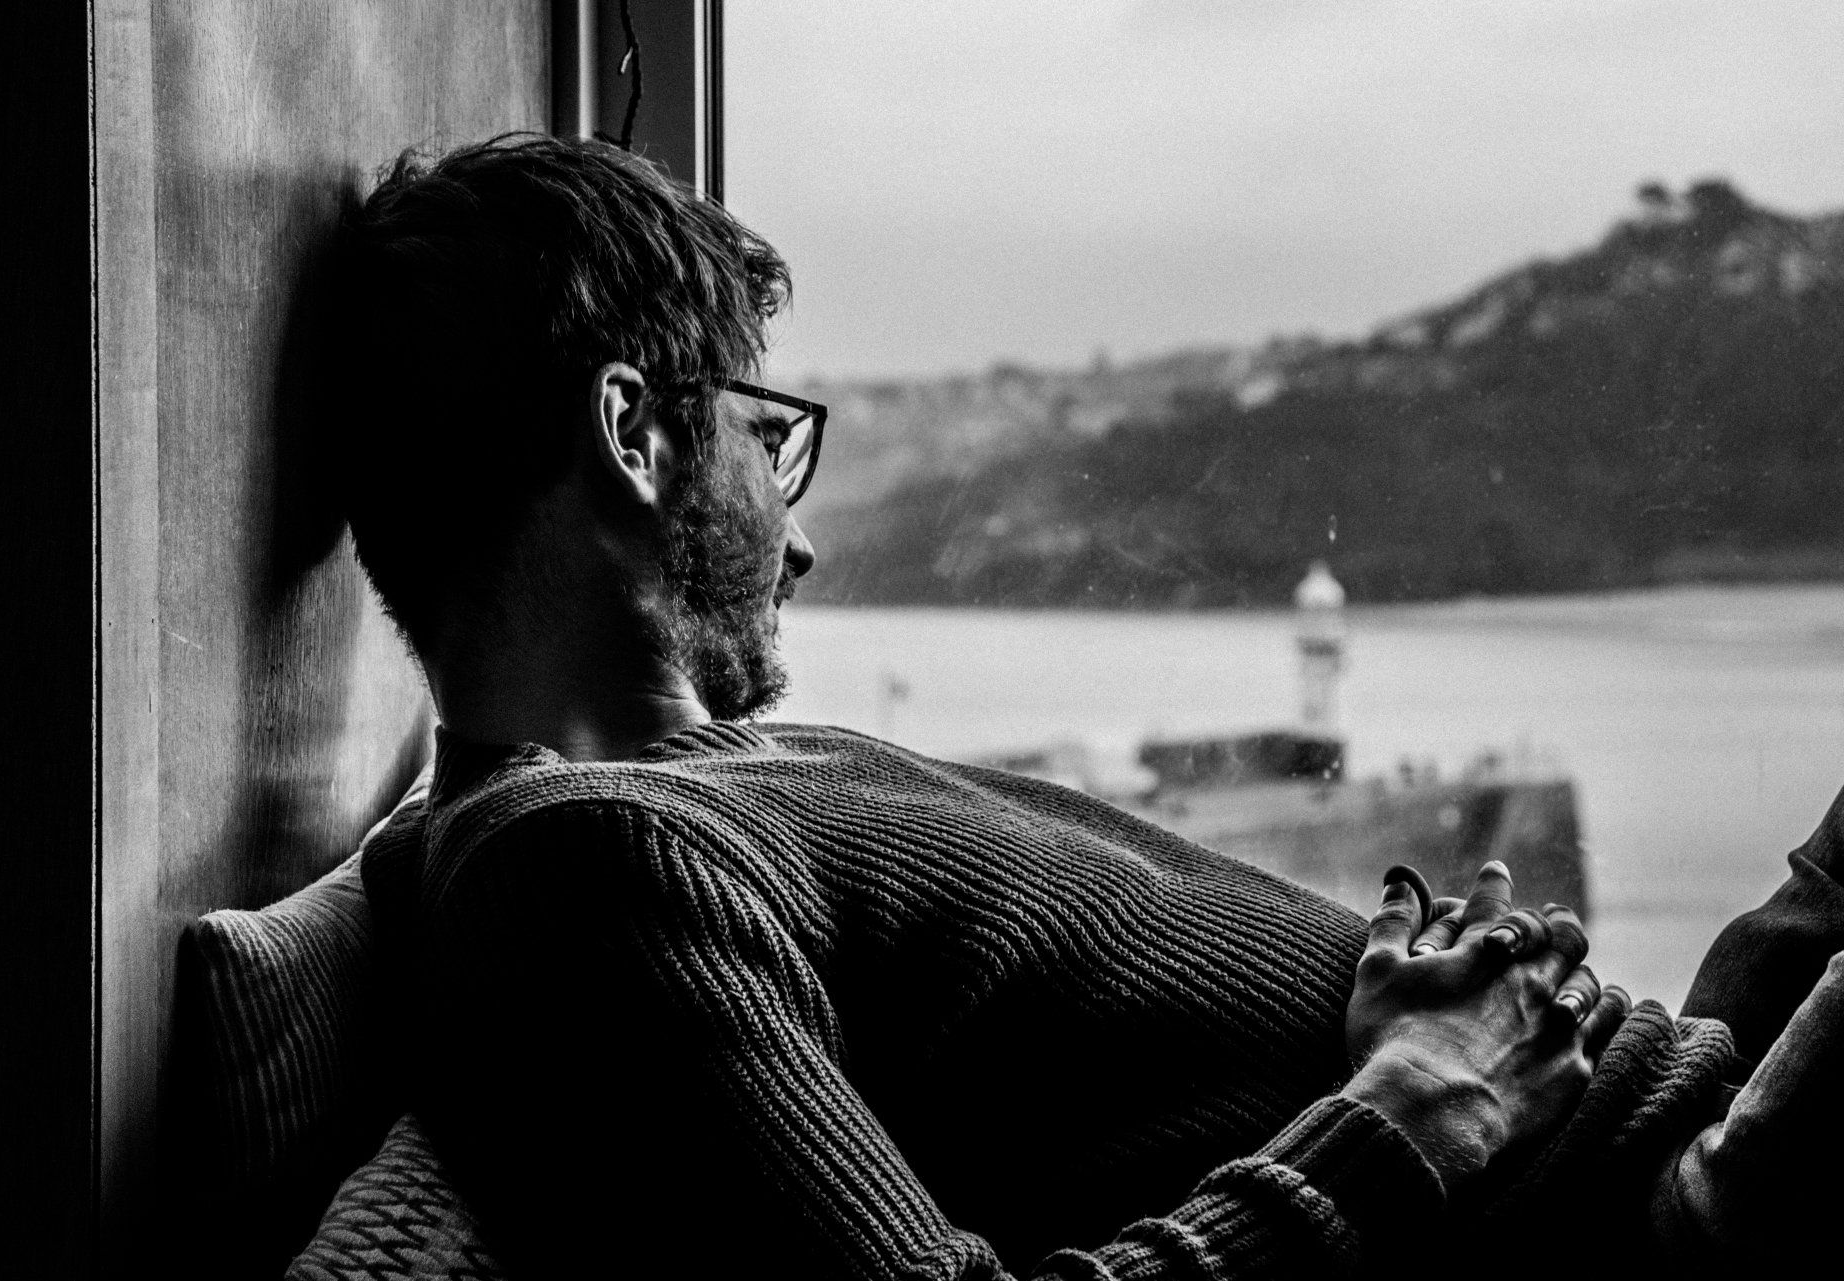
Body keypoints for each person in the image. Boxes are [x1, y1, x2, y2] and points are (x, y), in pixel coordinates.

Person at [327, 133, 1797, 1279]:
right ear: (634, 434)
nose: (803, 538)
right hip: (1658, 1218)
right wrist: (1411, 1109)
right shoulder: (575, 868)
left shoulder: (688, 793)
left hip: (1676, 1096)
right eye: (768, 441)